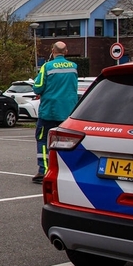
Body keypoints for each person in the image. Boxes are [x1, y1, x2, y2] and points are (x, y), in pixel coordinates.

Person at [31, 41, 79, 184]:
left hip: (49, 111)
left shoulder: (47, 66)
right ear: (66, 52)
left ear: (53, 51)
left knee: (43, 139)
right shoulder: (74, 67)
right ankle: (66, 170)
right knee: (66, 141)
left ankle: (43, 170)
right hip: (68, 112)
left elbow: (38, 87)